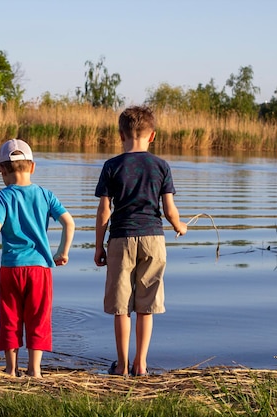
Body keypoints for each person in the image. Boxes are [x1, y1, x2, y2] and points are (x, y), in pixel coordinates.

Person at [94, 105, 187, 377]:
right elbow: (169, 210)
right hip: (153, 239)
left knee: (121, 308)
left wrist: (99, 245)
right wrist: (179, 226)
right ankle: (141, 365)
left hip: (121, 239)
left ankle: (122, 366)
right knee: (146, 306)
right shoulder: (161, 166)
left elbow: (103, 211)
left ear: (120, 135)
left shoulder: (111, 166)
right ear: (152, 135)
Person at [0, 138, 75, 378]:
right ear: (32, 167)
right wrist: (62, 252)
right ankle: (35, 370)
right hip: (40, 269)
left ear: (1, 169)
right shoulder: (45, 194)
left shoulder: (3, 197)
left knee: (10, 318)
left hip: (11, 269)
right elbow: (69, 223)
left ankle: (10, 369)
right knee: (38, 318)